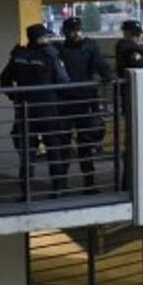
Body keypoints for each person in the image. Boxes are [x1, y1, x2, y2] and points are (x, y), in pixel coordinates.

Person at [0, 23, 70, 200]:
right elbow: (63, 81)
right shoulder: (50, 55)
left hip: (25, 110)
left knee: (27, 155)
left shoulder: (19, 56)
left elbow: (4, 79)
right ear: (40, 38)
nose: (47, 39)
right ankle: (57, 190)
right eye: (46, 36)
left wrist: (14, 97)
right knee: (54, 150)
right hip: (48, 110)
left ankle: (26, 193)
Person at [57, 17, 113, 192]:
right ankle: (61, 184)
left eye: (79, 29)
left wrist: (109, 78)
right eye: (73, 30)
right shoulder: (59, 49)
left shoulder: (89, 47)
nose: (77, 33)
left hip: (85, 101)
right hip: (66, 102)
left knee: (85, 145)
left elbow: (102, 66)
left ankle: (89, 183)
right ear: (65, 32)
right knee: (63, 145)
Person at [115, 20, 143, 189]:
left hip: (142, 99)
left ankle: (135, 180)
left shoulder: (137, 49)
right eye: (136, 35)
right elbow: (138, 62)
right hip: (133, 98)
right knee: (133, 142)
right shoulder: (125, 47)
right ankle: (128, 182)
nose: (138, 38)